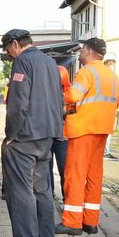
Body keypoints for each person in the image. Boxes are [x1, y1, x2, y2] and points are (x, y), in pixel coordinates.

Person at [0, 29, 63, 237]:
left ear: (15, 44)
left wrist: (10, 136)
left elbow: (18, 103)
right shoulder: (49, 62)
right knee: (42, 191)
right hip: (47, 135)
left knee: (20, 193)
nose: (9, 54)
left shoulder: (23, 61)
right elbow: (59, 98)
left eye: (8, 49)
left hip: (25, 138)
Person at [55, 38, 119, 235]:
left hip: (84, 129)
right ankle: (90, 221)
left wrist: (62, 97)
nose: (80, 53)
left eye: (81, 50)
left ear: (88, 50)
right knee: (94, 176)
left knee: (75, 175)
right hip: (102, 130)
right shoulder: (111, 74)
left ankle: (72, 222)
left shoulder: (87, 71)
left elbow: (74, 96)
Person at [50, 60, 71, 199]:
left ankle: (66, 198)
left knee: (64, 170)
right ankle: (49, 196)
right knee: (47, 168)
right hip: (54, 136)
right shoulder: (47, 93)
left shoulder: (70, 95)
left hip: (60, 136)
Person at [103, 58, 118, 159]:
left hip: (108, 111)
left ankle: (106, 151)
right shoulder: (112, 78)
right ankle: (105, 151)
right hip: (105, 111)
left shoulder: (112, 77)